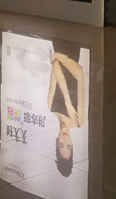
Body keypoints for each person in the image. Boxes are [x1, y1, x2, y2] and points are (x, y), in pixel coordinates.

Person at [47, 40, 85, 178]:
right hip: (74, 47)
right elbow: (79, 71)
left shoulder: (51, 107)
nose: (64, 139)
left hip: (58, 43)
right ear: (72, 144)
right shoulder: (78, 121)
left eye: (61, 144)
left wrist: (68, 101)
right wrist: (58, 57)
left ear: (56, 142)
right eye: (68, 145)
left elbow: (56, 65)